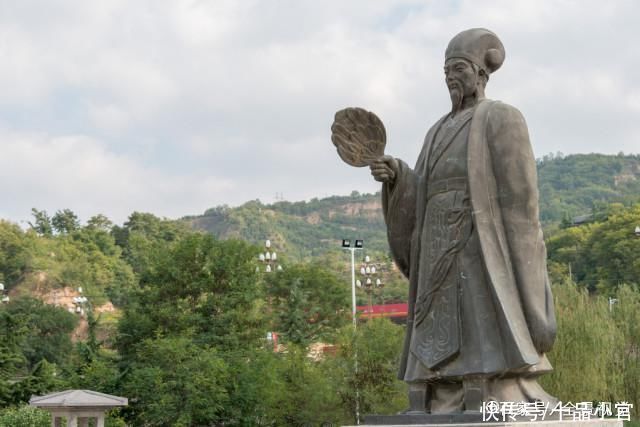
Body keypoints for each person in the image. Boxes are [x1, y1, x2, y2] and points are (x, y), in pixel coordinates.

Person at [370, 28, 557, 414]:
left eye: (458, 68)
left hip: (476, 240)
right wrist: (398, 177)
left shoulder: (500, 117)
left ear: (480, 73)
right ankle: (434, 392)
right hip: (434, 242)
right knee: (433, 317)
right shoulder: (436, 130)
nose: (450, 77)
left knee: (476, 312)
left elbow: (520, 197)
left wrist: (517, 246)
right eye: (445, 71)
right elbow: (421, 187)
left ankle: (486, 385)